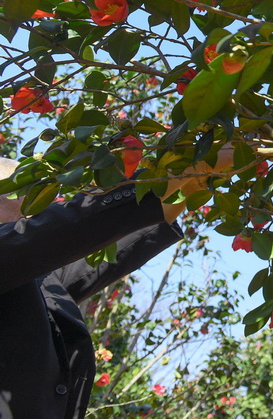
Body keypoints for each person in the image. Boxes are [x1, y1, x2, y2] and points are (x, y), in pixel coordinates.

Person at [0, 149, 230, 419]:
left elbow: (103, 251)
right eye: (27, 200)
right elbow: (56, 232)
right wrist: (185, 168)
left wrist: (196, 180)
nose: (38, 211)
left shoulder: (39, 281)